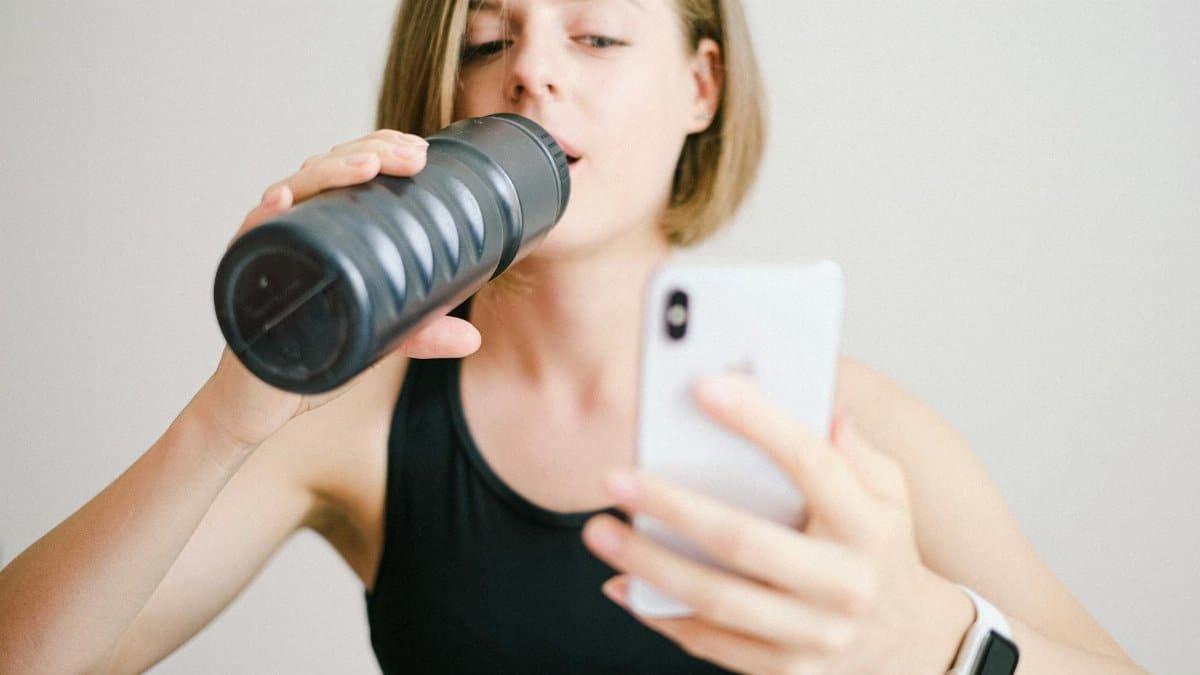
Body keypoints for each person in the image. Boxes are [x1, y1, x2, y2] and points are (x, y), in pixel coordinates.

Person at [0, 0, 1147, 673]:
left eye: (596, 36)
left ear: (702, 87)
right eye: (486, 38)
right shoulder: (355, 426)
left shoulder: (849, 433)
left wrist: (939, 643)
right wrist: (226, 415)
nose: (531, 69)